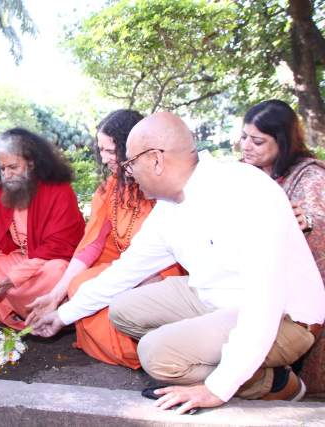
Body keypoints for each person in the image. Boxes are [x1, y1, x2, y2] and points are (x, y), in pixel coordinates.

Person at [31, 112, 325, 414]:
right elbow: (124, 271)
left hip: (286, 317)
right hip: (217, 299)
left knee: (156, 354)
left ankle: (273, 384)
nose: (128, 173)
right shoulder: (168, 209)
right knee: (122, 310)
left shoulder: (243, 191)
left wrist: (217, 388)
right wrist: (62, 316)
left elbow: (264, 301)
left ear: (156, 160)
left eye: (130, 164)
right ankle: (237, 363)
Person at [27, 110, 183, 368]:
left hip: (162, 273)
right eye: (101, 150)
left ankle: (156, 349)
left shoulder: (161, 187)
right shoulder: (111, 188)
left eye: (111, 151)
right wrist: (55, 295)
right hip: (126, 268)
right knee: (78, 284)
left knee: (135, 295)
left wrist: (145, 280)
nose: (105, 158)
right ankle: (134, 349)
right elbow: (91, 246)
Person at [240, 99, 325, 392]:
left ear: (283, 141)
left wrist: (307, 222)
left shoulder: (310, 177)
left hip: (296, 296)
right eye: (244, 137)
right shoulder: (241, 174)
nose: (246, 146)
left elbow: (315, 218)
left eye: (257, 141)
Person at [0, 128, 85, 330]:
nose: (6, 175)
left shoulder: (59, 190)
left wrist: (15, 278)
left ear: (31, 163)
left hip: (49, 263)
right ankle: (20, 313)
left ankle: (47, 315)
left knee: (57, 272)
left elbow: (60, 244)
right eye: (2, 169)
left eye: (13, 167)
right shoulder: (6, 190)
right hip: (23, 259)